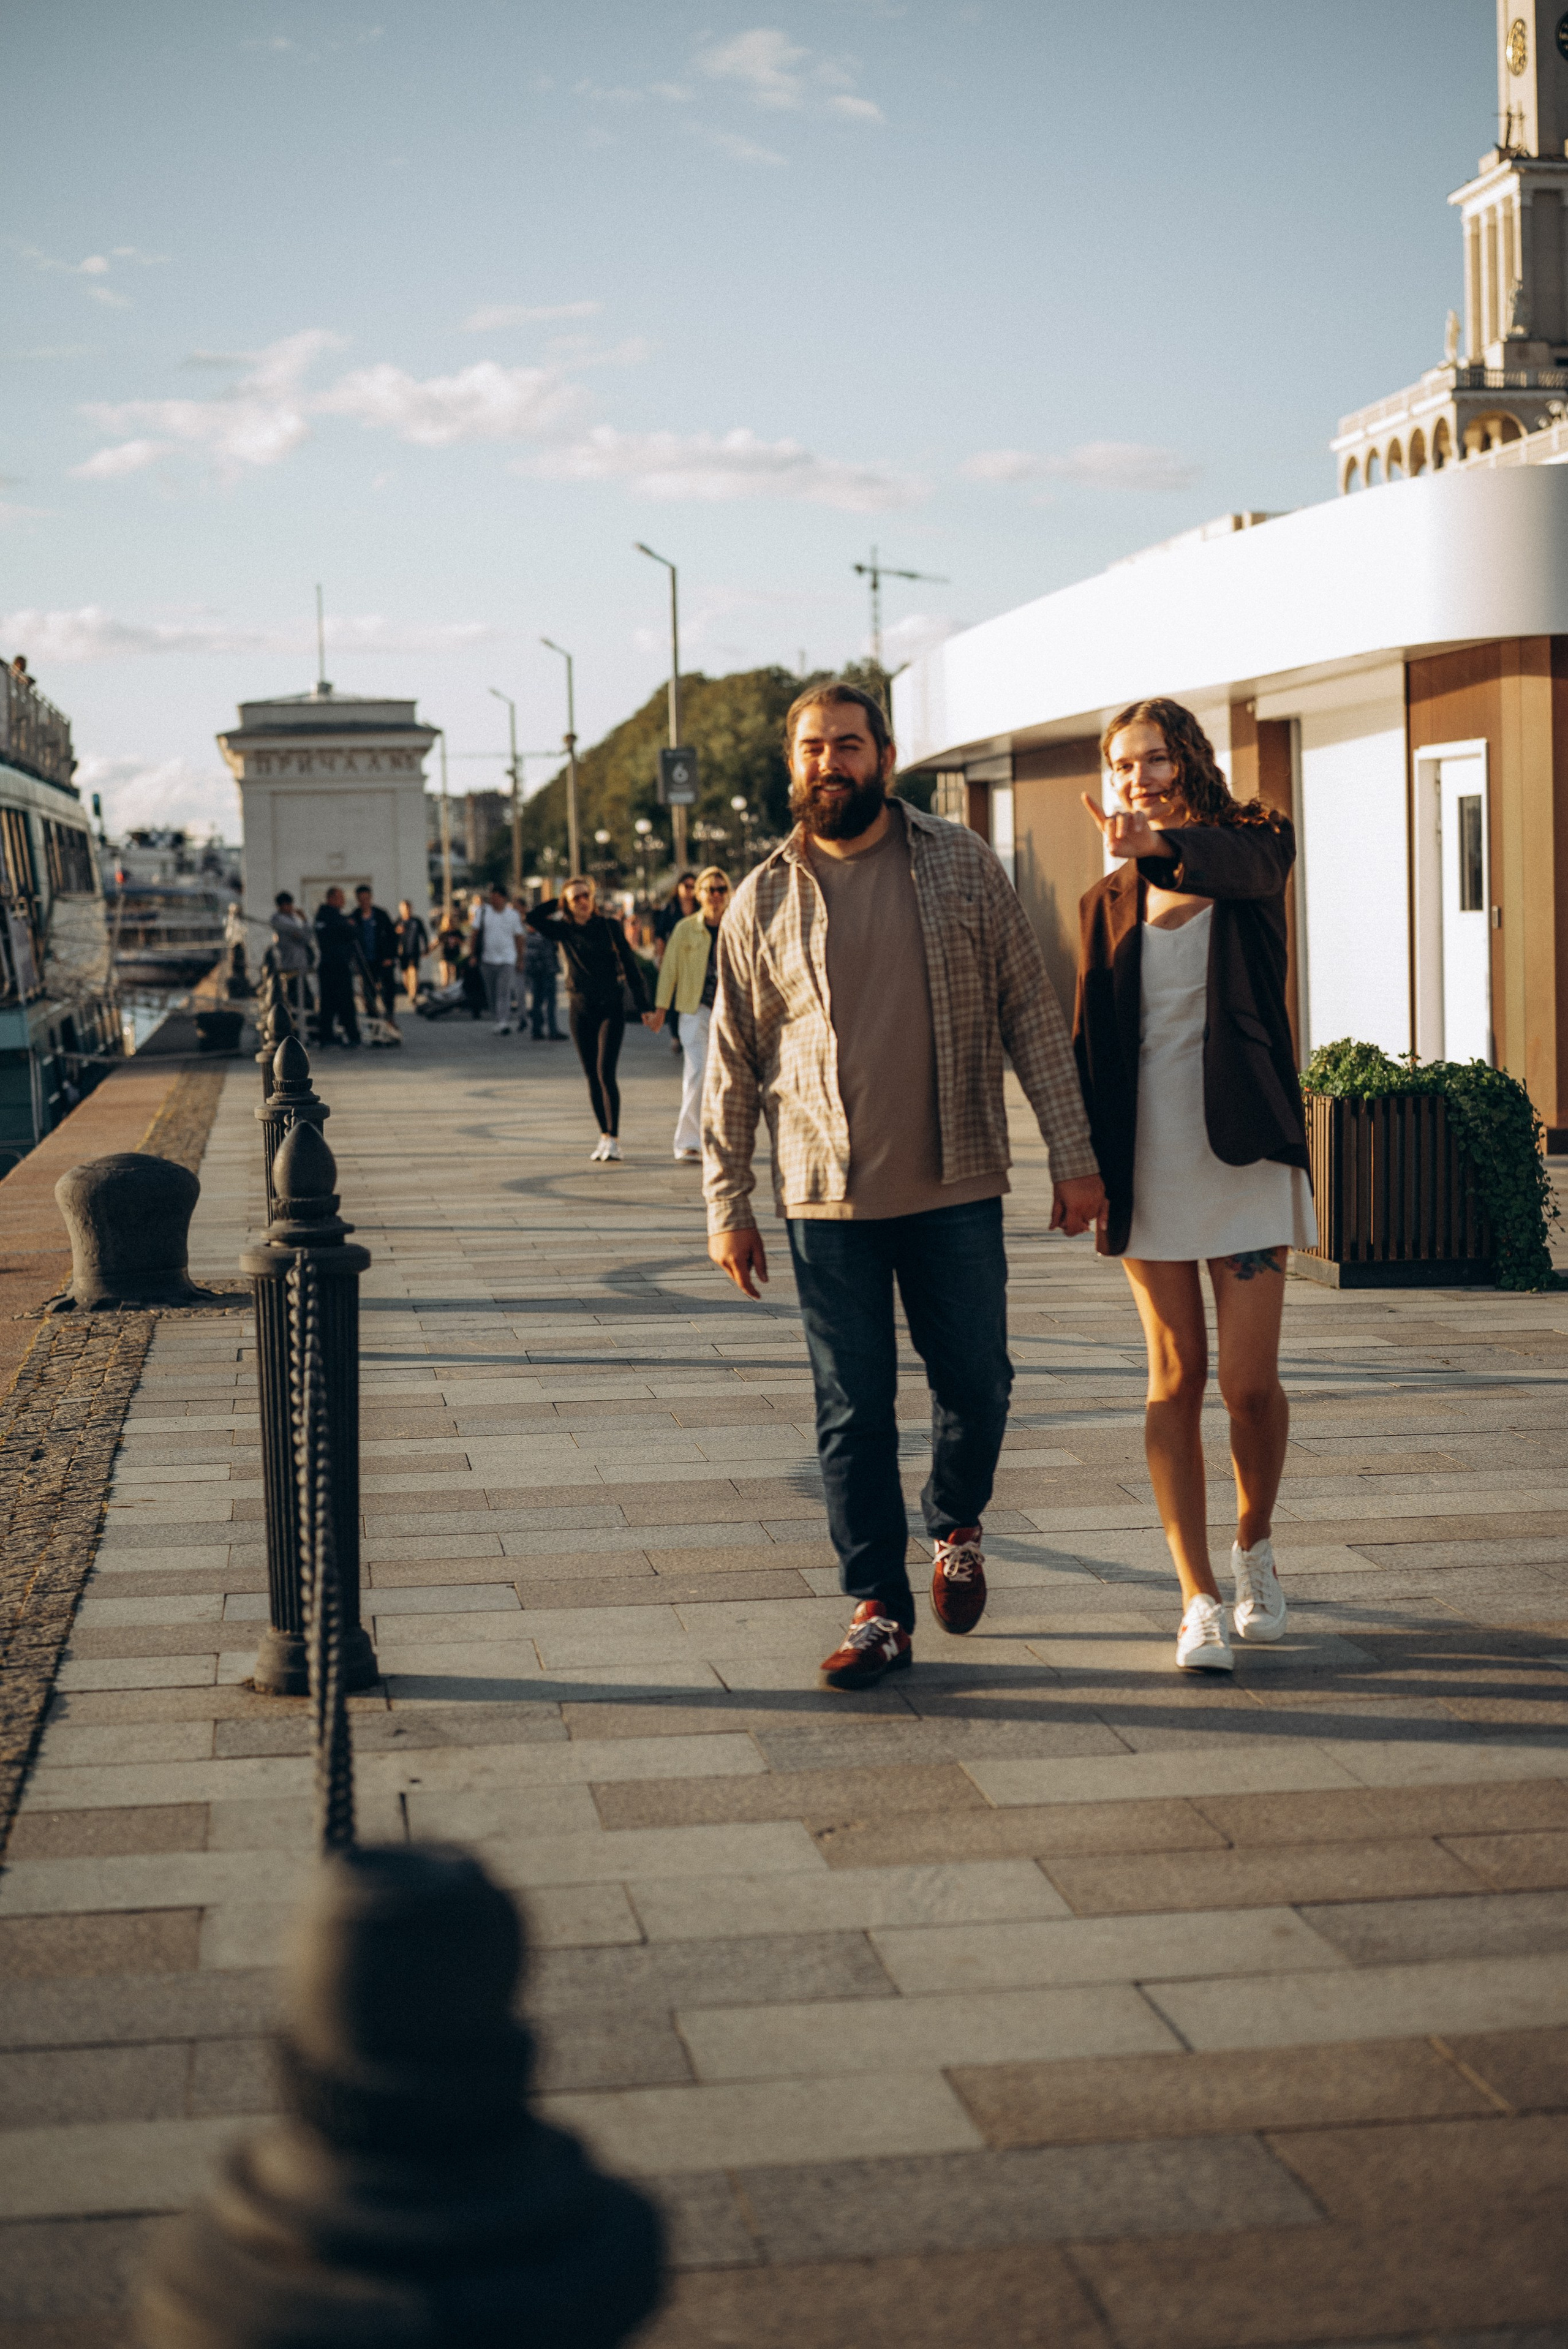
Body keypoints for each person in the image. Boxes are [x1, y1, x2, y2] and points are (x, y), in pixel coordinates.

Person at [704, 681, 1106, 1691]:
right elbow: (732, 1062)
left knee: (980, 1381)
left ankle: (956, 1524)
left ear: (884, 756)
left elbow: (1028, 1006)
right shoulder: (760, 898)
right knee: (855, 1409)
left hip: (956, 1182)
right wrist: (728, 1204)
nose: (828, 763)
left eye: (846, 745)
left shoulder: (961, 863)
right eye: (810, 749)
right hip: (823, 1200)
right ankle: (878, 1603)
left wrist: (1074, 1154)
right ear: (791, 765)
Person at [1074, 697, 1315, 1675]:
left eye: (1156, 759)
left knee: (1250, 1386)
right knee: (1174, 1375)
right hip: (1149, 1160)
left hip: (1245, 1144)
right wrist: (1079, 1164)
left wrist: (1161, 841)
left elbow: (1242, 869)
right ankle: (1196, 1596)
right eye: (1125, 765)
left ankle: (1253, 1549)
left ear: (1188, 761)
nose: (1139, 776)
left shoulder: (1252, 842)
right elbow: (1093, 1040)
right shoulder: (1103, 901)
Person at [526, 875, 657, 1161]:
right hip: (580, 1009)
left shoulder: (609, 927)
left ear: (593, 898)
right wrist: (559, 900)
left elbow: (629, 964)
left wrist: (645, 1005)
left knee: (605, 1073)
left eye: (586, 895)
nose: (582, 901)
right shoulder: (563, 930)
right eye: (576, 898)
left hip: (611, 1007)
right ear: (567, 904)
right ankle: (603, 1135)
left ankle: (614, 1138)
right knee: (591, 1077)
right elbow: (532, 917)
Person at [648, 865, 729, 1160]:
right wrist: (660, 1012)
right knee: (697, 1072)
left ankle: (719, 1138)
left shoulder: (738, 925)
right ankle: (688, 1140)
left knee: (726, 1079)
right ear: (699, 895)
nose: (716, 895)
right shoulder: (686, 928)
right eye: (710, 890)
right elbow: (669, 971)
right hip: (695, 1010)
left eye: (722, 889)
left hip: (731, 1013)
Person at [470, 881, 526, 1033]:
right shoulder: (483, 913)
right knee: (492, 993)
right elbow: (475, 935)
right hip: (487, 960)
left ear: (504, 899)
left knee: (504, 992)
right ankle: (497, 1017)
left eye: (497, 898)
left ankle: (503, 1021)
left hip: (507, 960)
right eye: (492, 898)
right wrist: (473, 955)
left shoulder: (513, 915)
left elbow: (519, 938)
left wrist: (520, 959)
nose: (493, 901)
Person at [653, 872, 697, 1056]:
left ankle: (693, 1033)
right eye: (686, 886)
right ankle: (675, 1037)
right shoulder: (670, 909)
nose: (689, 890)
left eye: (693, 886)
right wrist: (661, 958)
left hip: (695, 960)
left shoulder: (701, 907)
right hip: (675, 959)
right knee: (673, 999)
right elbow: (660, 935)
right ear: (678, 888)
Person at [313, 887, 362, 1048]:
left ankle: (342, 1034)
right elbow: (346, 931)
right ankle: (333, 1035)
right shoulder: (326, 916)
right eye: (340, 897)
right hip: (333, 965)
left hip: (340, 964)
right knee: (333, 1002)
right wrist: (348, 926)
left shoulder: (337, 917)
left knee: (343, 1001)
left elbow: (351, 931)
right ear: (332, 898)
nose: (344, 901)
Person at [353, 885, 399, 1022]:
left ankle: (389, 1014)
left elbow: (392, 936)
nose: (364, 902)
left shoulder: (381, 915)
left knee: (387, 988)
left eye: (367, 898)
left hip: (383, 960)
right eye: (361, 899)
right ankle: (373, 1017)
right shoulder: (354, 916)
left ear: (371, 898)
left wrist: (390, 957)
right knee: (368, 991)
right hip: (366, 962)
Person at [268, 890, 315, 1023]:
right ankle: (294, 1028)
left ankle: (307, 1028)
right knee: (295, 999)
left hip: (300, 965)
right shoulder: (279, 921)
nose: (290, 908)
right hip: (290, 965)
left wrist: (304, 924)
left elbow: (306, 937)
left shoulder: (293, 920)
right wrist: (304, 926)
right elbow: (304, 937)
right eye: (286, 905)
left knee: (306, 999)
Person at [523, 914, 565, 1040]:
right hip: (547, 971)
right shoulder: (545, 935)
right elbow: (549, 953)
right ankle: (552, 1030)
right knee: (551, 1002)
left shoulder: (531, 935)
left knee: (537, 1001)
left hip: (535, 972)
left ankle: (536, 1030)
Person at [395, 900, 429, 1004]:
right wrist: (396, 931)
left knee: (414, 972)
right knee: (405, 974)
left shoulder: (417, 921)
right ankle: (410, 990)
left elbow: (424, 935)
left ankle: (413, 994)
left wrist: (426, 948)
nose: (406, 911)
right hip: (403, 953)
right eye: (404, 909)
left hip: (414, 951)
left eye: (408, 908)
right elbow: (391, 935)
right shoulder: (398, 922)